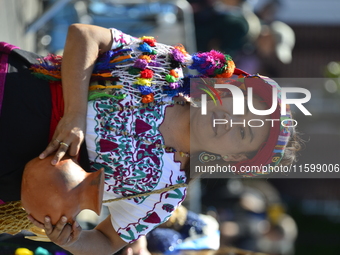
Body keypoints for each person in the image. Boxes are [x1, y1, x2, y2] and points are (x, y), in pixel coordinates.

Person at [0, 24, 300, 254]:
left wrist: (70, 239)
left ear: (235, 158)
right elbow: (85, 35)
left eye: (243, 132)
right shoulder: (165, 67)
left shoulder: (165, 192)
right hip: (12, 89)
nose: (228, 122)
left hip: (10, 171)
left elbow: (106, 242)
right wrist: (75, 115)